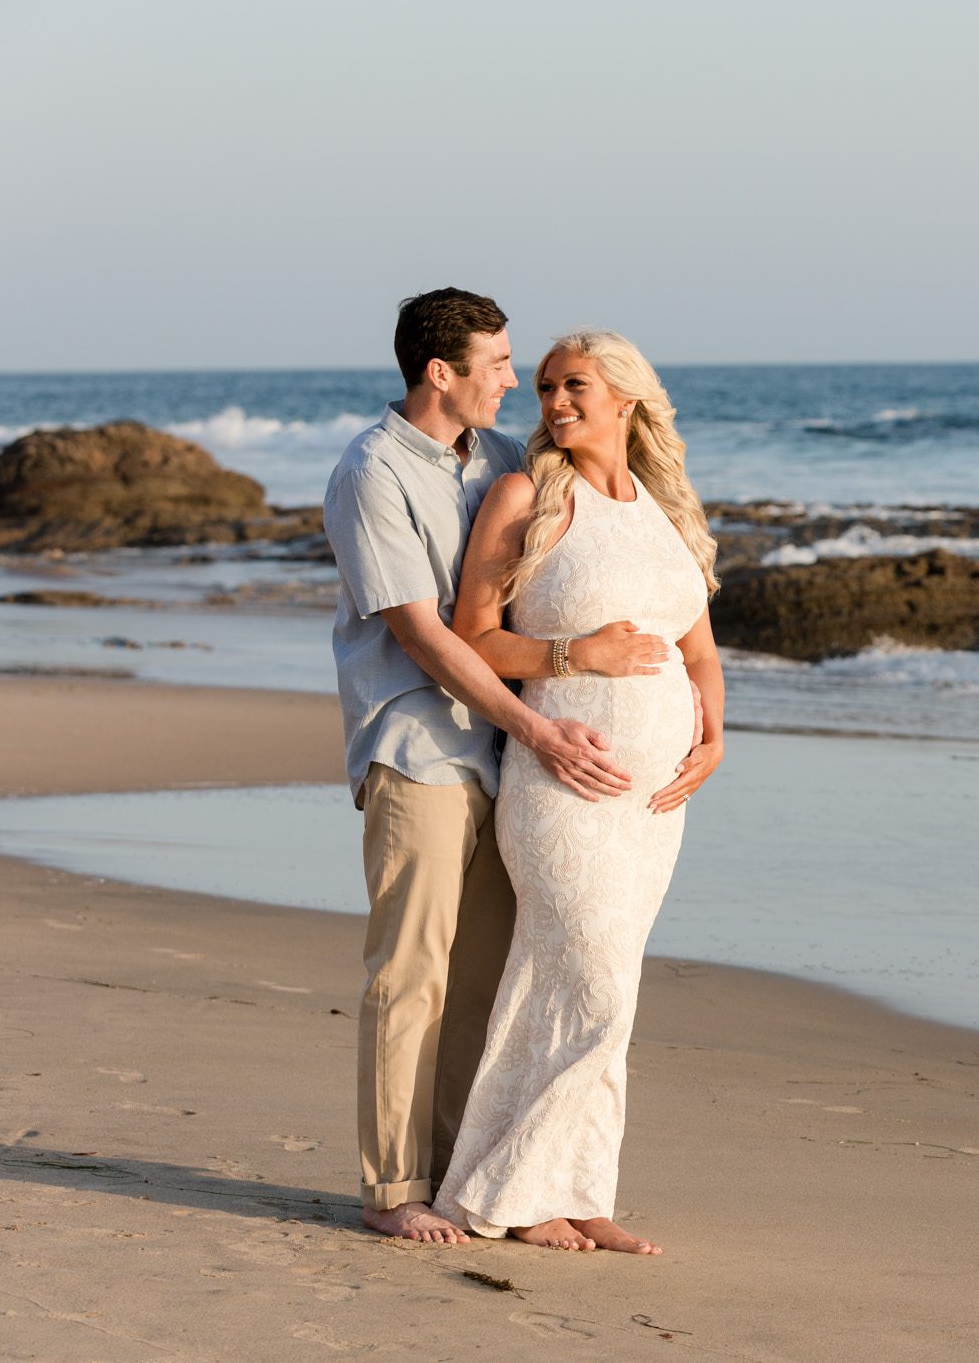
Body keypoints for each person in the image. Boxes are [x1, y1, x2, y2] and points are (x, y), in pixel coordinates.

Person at [323, 290, 636, 1244]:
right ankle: (394, 1191)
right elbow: (426, 636)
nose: (515, 381)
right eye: (497, 365)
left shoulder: (502, 462)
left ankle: (469, 1178)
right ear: (439, 373)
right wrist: (545, 720)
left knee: (490, 982)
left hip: (505, 760)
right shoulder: (371, 473)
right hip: (417, 745)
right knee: (410, 972)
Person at [433, 329, 725, 1255]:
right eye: (548, 386)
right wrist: (575, 655)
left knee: (600, 986)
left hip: (653, 803)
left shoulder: (667, 510)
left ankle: (581, 1188)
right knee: (594, 985)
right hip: (561, 785)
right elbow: (473, 637)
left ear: (627, 399)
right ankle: (509, 1188)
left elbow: (700, 651)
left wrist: (714, 734)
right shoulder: (527, 495)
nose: (554, 402)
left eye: (575, 387)